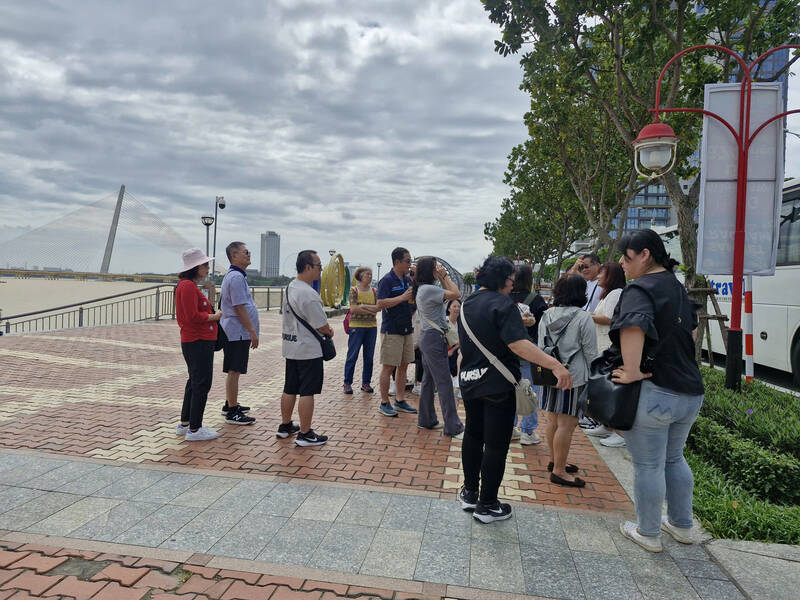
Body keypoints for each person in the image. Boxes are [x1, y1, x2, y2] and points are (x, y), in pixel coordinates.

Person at [458, 256, 572, 523]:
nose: (512, 285)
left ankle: (470, 493)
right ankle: (487, 505)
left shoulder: (467, 304)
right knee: (496, 444)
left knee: (473, 435)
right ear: (501, 279)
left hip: (470, 380)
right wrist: (555, 365)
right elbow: (518, 344)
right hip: (498, 384)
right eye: (510, 280)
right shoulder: (503, 304)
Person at [610, 229, 704, 553]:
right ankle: (681, 525)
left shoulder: (640, 288)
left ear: (645, 255)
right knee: (674, 458)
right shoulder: (677, 287)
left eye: (627, 257)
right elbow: (691, 332)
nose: (622, 264)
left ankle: (648, 532)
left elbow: (633, 325)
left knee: (648, 465)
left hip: (656, 392)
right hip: (690, 391)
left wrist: (632, 370)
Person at [538, 274, 599, 487]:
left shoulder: (547, 315)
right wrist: (596, 378)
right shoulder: (583, 318)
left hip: (549, 373)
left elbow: (540, 346)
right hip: (573, 377)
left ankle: (555, 460)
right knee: (567, 424)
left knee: (553, 421)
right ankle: (559, 471)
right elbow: (591, 353)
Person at [280, 250, 333, 447]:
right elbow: (321, 325)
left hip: (291, 346)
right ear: (308, 267)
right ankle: (305, 433)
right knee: (307, 391)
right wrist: (329, 330)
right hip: (308, 350)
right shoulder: (309, 294)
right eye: (319, 266)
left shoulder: (290, 287)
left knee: (289, 387)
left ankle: (285, 426)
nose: (321, 270)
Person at [175, 248, 222, 441]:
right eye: (205, 265)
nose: (208, 268)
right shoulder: (188, 286)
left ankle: (186, 423)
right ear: (195, 267)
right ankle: (195, 429)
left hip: (195, 340)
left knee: (194, 382)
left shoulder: (187, 285)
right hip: (198, 340)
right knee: (201, 383)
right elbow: (192, 316)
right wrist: (215, 316)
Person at [413, 257, 464, 437]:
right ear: (430, 270)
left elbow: (448, 292)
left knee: (429, 380)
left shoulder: (424, 289)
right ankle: (453, 426)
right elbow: (456, 294)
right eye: (436, 267)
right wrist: (445, 276)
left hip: (429, 338)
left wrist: (442, 278)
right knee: (444, 383)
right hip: (434, 339)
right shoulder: (428, 289)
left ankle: (426, 419)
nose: (439, 269)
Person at [585, 261, 627, 446]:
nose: (598, 276)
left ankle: (620, 433)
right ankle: (606, 426)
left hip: (609, 346)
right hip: (602, 345)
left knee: (611, 390)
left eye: (602, 273)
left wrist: (587, 316)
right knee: (604, 388)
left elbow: (609, 319)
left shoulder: (616, 293)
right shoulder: (607, 294)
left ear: (611, 276)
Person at [376, 247, 418, 417]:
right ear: (397, 262)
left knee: (404, 365)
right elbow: (380, 303)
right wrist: (401, 298)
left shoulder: (408, 280)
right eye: (407, 261)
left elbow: (413, 300)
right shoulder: (387, 280)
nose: (410, 264)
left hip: (406, 328)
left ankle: (400, 400)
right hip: (392, 330)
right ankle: (384, 402)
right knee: (388, 367)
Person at [219, 242, 257, 426]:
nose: (249, 255)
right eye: (245, 252)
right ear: (234, 256)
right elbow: (239, 307)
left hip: (236, 331)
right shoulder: (235, 278)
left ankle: (230, 403)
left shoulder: (237, 276)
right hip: (236, 332)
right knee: (234, 370)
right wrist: (252, 330)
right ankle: (232, 411)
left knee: (235, 370)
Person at [509, 264, 548, 446]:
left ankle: (510, 427)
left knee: (509, 389)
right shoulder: (536, 299)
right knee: (529, 389)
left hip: (507, 349)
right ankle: (528, 431)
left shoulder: (504, 297)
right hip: (528, 350)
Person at [343, 266, 379, 394]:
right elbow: (353, 309)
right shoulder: (354, 290)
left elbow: (377, 309)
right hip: (356, 327)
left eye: (370, 274)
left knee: (369, 357)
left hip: (371, 327)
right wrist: (370, 308)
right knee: (352, 356)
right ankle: (347, 383)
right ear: (360, 276)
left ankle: (366, 383)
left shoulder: (374, 291)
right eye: (367, 274)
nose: (369, 276)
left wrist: (362, 306)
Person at [445, 299, 461, 396]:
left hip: (456, 348)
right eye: (454, 306)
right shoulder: (444, 321)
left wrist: (453, 350)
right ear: (449, 309)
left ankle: (458, 382)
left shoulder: (462, 322)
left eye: (459, 306)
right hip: (444, 348)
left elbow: (462, 340)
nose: (457, 309)